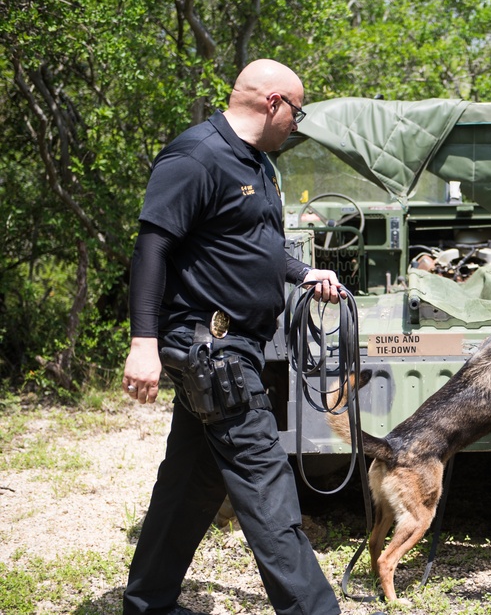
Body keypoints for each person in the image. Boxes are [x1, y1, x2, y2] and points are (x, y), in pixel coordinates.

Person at [121, 59, 352, 615]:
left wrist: (303, 274)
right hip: (212, 349)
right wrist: (143, 343)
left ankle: (147, 603)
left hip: (234, 345)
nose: (298, 123)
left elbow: (254, 240)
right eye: (297, 110)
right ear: (273, 102)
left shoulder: (258, 163)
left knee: (192, 481)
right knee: (267, 487)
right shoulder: (197, 155)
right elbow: (151, 248)